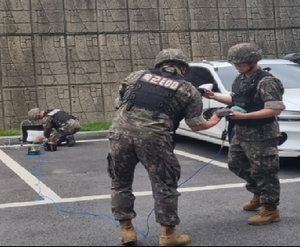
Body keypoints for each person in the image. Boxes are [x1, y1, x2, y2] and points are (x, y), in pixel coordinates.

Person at [107, 48, 222, 246]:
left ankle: (126, 230)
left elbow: (119, 103)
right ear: (183, 67)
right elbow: (196, 125)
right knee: (165, 184)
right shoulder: (188, 89)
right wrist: (214, 120)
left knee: (120, 183)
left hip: (119, 133)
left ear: (159, 64)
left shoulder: (136, 76)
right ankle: (168, 235)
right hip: (154, 137)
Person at [203, 42, 286, 225]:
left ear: (253, 61)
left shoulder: (267, 82)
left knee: (265, 170)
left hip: (262, 134)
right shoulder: (240, 79)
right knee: (235, 164)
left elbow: (275, 109)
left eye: (241, 63)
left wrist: (245, 115)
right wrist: (214, 96)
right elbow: (236, 98)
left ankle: (270, 208)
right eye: (235, 63)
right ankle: (259, 192)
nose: (237, 66)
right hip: (241, 132)